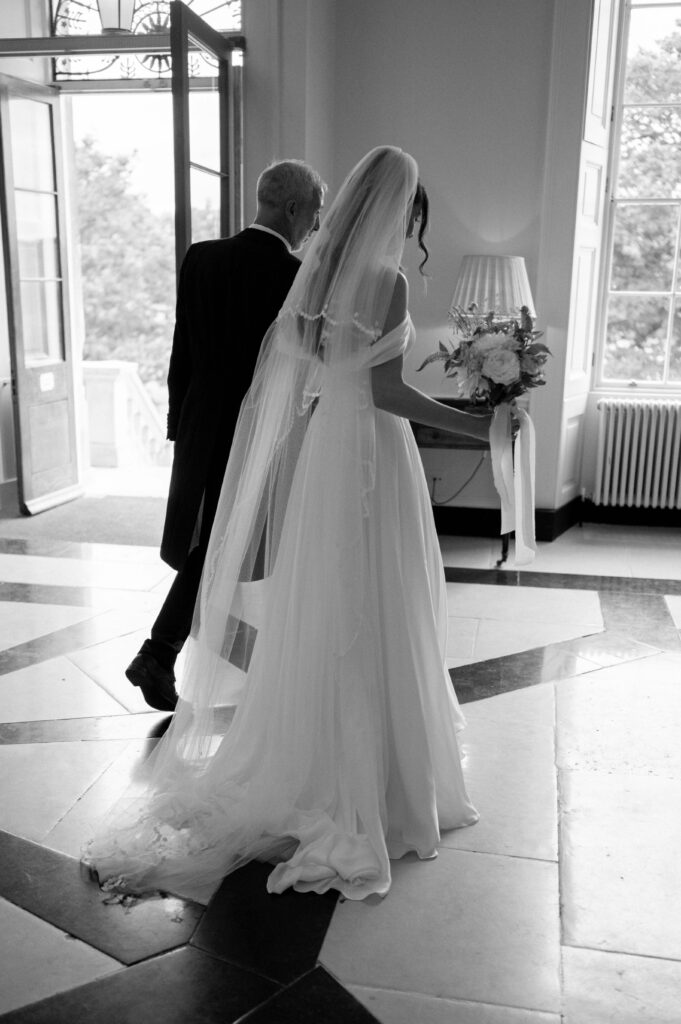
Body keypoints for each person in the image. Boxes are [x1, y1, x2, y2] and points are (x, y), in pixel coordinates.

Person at [85, 146, 492, 903]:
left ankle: (289, 737)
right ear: (395, 208)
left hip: (309, 441)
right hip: (369, 448)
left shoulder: (309, 273)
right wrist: (478, 423)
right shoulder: (386, 281)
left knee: (317, 592)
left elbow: (288, 366)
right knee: (376, 594)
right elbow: (386, 391)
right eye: (412, 211)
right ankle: (371, 772)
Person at [126, 160, 325, 712]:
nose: (315, 226)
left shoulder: (201, 257)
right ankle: (166, 652)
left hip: (199, 422)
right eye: (314, 214)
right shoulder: (297, 276)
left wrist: (177, 424)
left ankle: (175, 651)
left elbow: (182, 349)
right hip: (255, 431)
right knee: (222, 545)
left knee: (211, 542)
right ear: (293, 209)